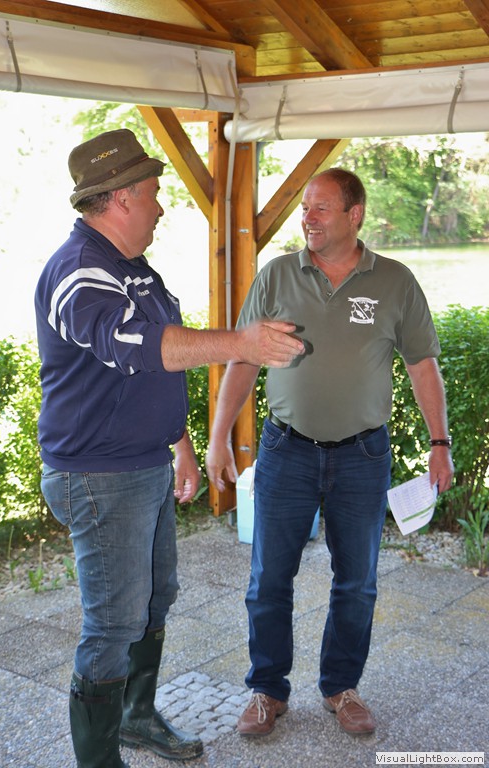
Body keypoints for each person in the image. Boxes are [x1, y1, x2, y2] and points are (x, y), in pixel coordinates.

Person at [35, 128, 304, 768]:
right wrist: (241, 342)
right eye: (154, 192)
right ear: (122, 197)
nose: (160, 206)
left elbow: (149, 371)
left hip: (143, 464)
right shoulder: (79, 271)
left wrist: (178, 440)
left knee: (155, 599)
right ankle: (99, 760)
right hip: (99, 476)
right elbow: (135, 346)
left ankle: (135, 718)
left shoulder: (132, 269)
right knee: (113, 622)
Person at [206, 168, 454, 738]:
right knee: (269, 579)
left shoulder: (394, 281)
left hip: (363, 456)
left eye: (320, 208)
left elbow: (422, 365)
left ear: (354, 214)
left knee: (357, 582)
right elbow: (243, 359)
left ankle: (341, 687)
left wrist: (439, 444)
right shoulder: (276, 275)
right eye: (304, 208)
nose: (308, 218)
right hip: (286, 451)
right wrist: (218, 437)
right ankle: (268, 690)